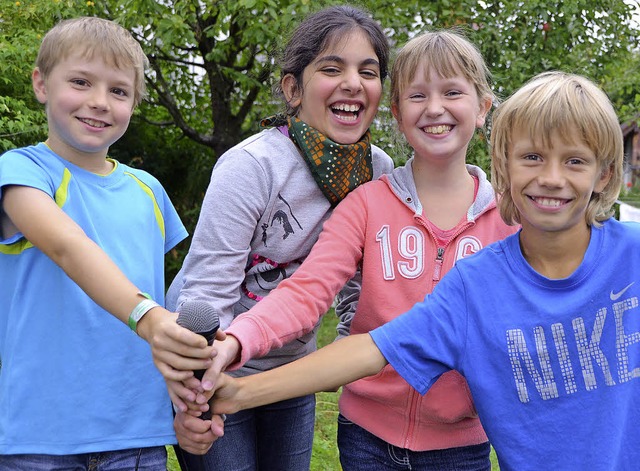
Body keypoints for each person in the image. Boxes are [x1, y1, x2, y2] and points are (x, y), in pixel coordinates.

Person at [209, 71, 638, 471]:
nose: (551, 177)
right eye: (532, 157)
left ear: (604, 174)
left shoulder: (632, 257)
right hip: (371, 438)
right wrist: (242, 392)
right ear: (505, 168)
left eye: (575, 162)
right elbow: (370, 349)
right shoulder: (477, 282)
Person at [177, 30, 519, 469]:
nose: (435, 108)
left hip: (460, 442)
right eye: (417, 95)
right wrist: (235, 342)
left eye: (453, 92)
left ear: (483, 106)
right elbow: (306, 292)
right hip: (367, 436)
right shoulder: (367, 202)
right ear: (396, 112)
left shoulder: (509, 220)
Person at [165, 5, 395, 470]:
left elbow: (358, 289)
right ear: (293, 88)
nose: (352, 82)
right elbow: (207, 291)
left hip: (291, 372)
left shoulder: (379, 172)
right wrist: (195, 390)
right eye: (332, 68)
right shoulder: (252, 166)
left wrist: (347, 365)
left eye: (367, 72)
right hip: (215, 363)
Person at [0, 17, 218, 469]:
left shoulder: (149, 190)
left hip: (137, 437)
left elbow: (160, 297)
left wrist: (185, 394)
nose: (99, 102)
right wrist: (149, 318)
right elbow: (67, 246)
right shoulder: (20, 171)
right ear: (41, 83)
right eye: (80, 82)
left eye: (119, 91)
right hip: (38, 438)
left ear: (134, 103)